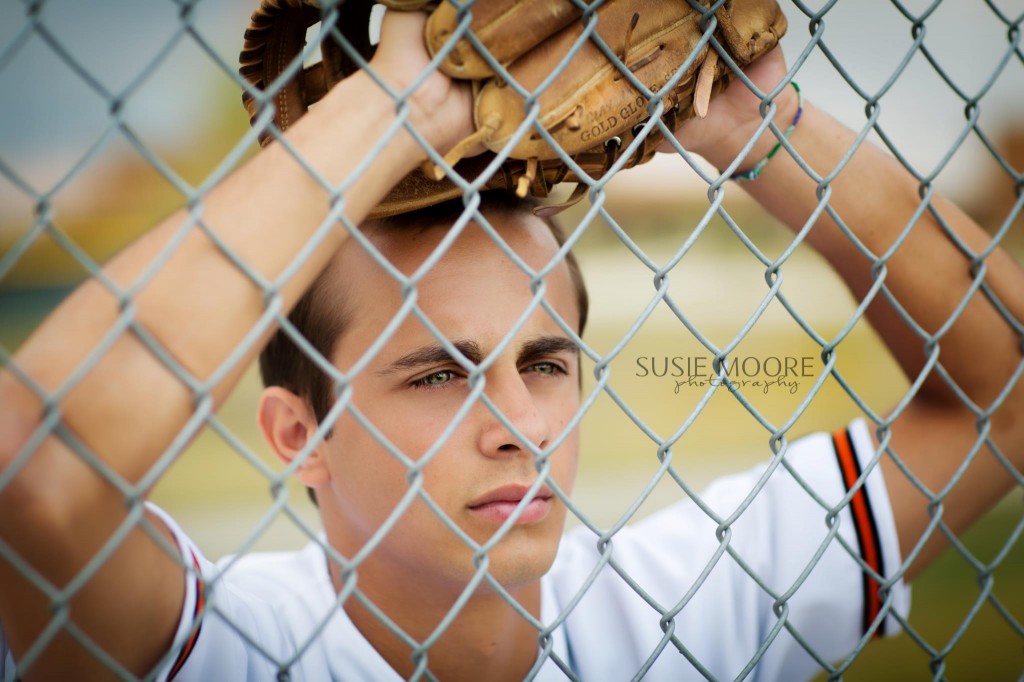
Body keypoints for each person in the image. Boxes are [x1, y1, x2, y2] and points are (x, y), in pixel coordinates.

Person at [0, 8, 1021, 682]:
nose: (520, 425)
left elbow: (1004, 396)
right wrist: (393, 114)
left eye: (543, 361)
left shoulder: (679, 604)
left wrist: (754, 124)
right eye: (439, 371)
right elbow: (33, 468)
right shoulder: (223, 645)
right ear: (297, 432)